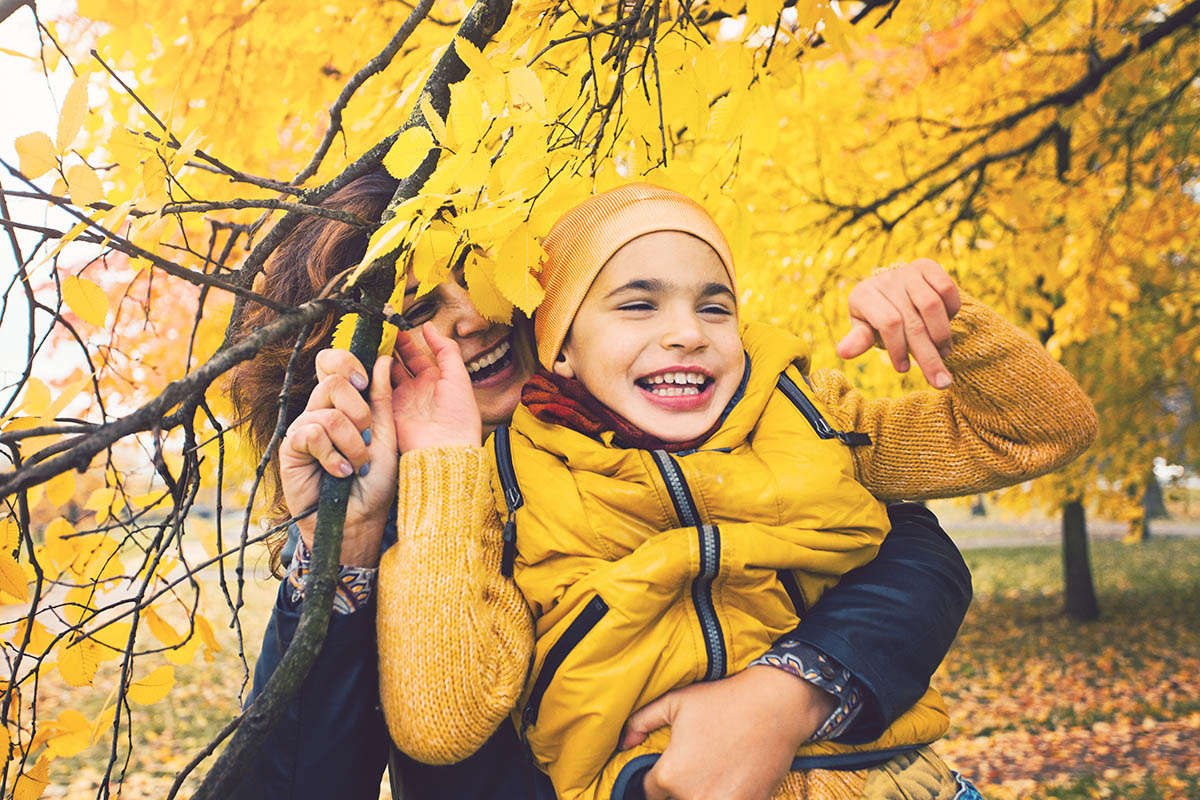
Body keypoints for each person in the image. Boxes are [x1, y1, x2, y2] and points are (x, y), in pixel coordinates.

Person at [226, 169, 993, 800]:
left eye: (483, 276)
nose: (476, 318)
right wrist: (344, 545)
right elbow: (312, 779)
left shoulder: (675, 404)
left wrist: (786, 695)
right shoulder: (392, 519)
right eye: (421, 307)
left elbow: (914, 557)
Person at [373, 184, 1098, 800]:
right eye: (638, 306)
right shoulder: (502, 484)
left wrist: (952, 323)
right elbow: (440, 720)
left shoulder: (809, 413)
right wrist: (443, 462)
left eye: (715, 308)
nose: (687, 332)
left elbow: (1039, 432)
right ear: (558, 344)